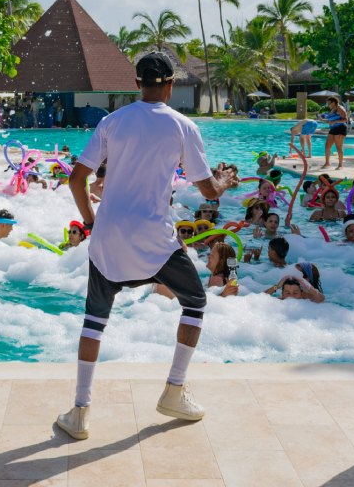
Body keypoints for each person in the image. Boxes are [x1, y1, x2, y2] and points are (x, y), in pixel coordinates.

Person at [57, 52, 238, 440]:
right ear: (171, 85)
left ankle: (80, 411)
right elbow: (208, 189)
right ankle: (174, 389)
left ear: (137, 84)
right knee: (195, 302)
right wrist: (223, 180)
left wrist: (92, 222)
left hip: (109, 235)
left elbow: (77, 180)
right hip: (155, 236)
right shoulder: (182, 125)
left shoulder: (111, 122)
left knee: (94, 320)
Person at [321, 97, 350, 169]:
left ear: (333, 102)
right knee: (327, 146)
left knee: (338, 147)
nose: (328, 105)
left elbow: (345, 119)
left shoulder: (340, 108)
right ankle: (327, 163)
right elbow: (331, 119)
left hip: (340, 128)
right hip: (333, 129)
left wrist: (335, 121)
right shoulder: (333, 109)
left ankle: (340, 165)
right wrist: (324, 120)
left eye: (329, 103)